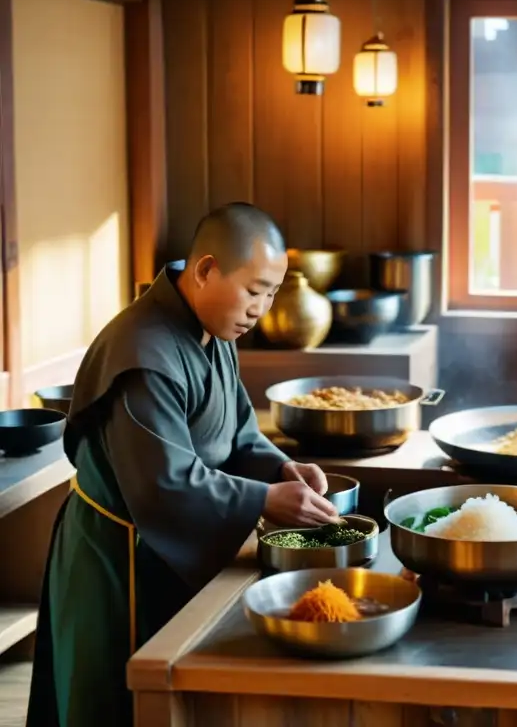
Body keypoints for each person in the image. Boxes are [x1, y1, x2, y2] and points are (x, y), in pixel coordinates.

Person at [27, 202, 341, 727]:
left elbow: (238, 432)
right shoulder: (143, 350)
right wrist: (264, 500)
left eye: (271, 293)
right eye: (254, 289)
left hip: (164, 544)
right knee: (111, 699)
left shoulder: (211, 327)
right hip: (117, 556)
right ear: (205, 270)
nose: (261, 308)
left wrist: (282, 470)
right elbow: (162, 483)